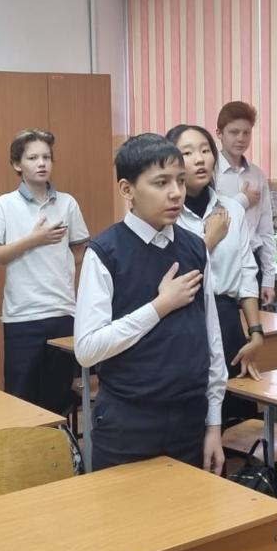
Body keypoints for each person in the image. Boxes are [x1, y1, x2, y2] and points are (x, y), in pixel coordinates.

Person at [73, 133, 226, 473]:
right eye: (161, 182)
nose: (176, 192)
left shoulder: (195, 247)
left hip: (190, 419)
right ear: (127, 189)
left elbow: (211, 339)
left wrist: (214, 424)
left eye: (180, 181)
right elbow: (87, 349)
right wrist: (160, 306)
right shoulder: (105, 252)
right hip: (129, 424)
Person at [0, 129, 89, 413]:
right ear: (17, 164)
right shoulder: (5, 204)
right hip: (23, 316)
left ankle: (57, 443)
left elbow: (81, 249)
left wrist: (59, 267)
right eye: (32, 158)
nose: (42, 163)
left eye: (46, 157)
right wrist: (34, 240)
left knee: (58, 398)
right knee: (20, 398)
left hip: (63, 312)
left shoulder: (67, 203)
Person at [165, 123, 262, 425]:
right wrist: (209, 240)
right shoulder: (166, 215)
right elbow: (175, 275)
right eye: (188, 152)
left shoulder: (232, 208)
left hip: (228, 319)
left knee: (237, 420)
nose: (200, 159)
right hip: (187, 319)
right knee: (195, 420)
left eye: (205, 150)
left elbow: (247, 272)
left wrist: (256, 332)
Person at [213, 101, 276, 307]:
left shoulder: (257, 174)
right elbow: (210, 219)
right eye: (234, 132)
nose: (241, 138)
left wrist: (269, 279)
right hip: (220, 263)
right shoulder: (209, 172)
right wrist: (242, 201)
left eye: (246, 133)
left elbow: (266, 229)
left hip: (252, 261)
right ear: (219, 133)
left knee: (254, 325)